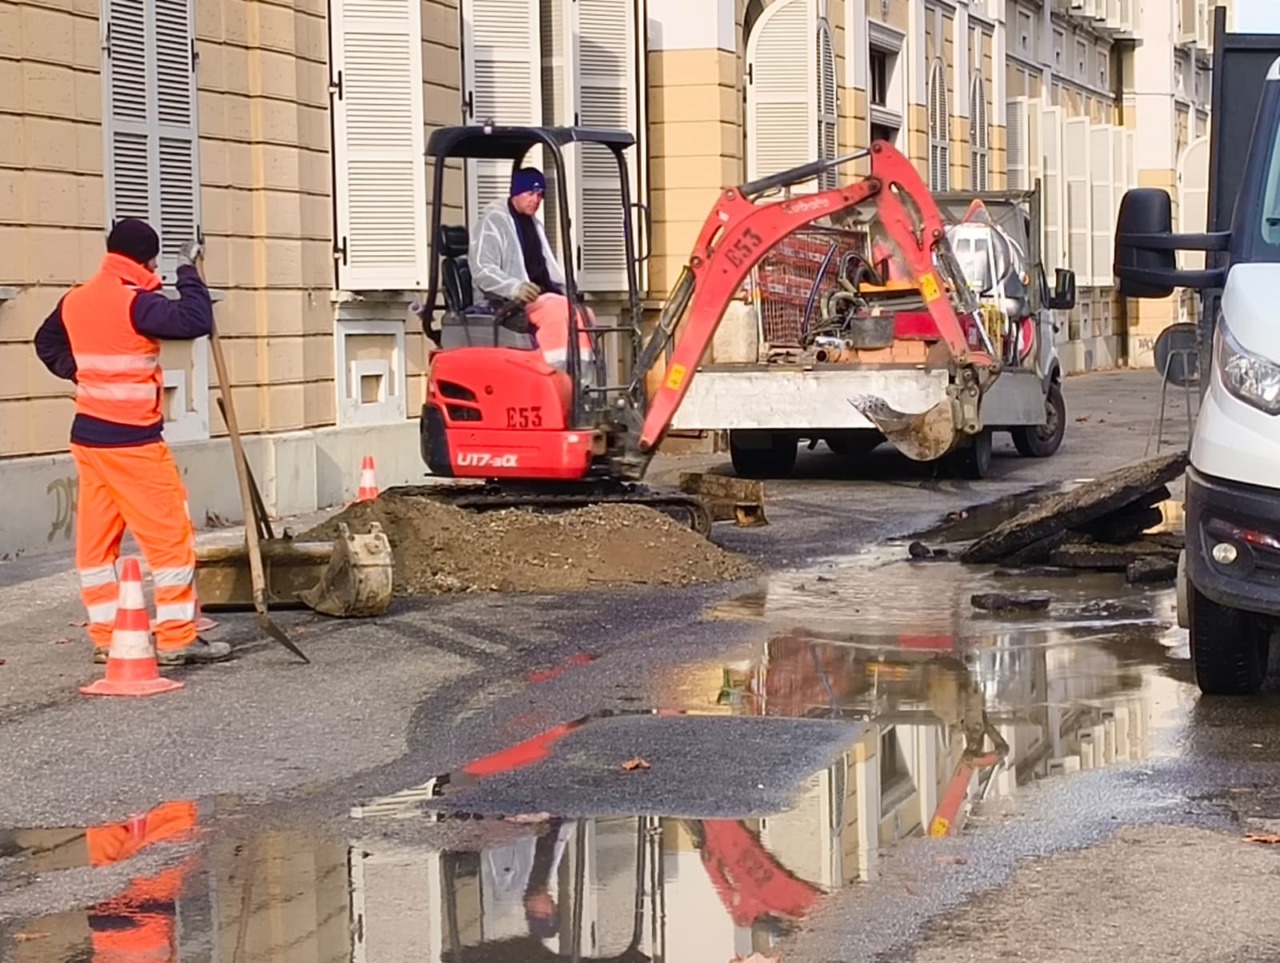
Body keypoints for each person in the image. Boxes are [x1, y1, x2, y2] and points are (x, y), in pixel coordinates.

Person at [33, 218, 231, 666]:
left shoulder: (76, 299)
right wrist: (189, 271)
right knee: (170, 540)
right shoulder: (135, 303)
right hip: (132, 442)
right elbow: (195, 320)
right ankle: (178, 637)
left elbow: (44, 342)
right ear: (147, 259)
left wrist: (77, 370)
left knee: (97, 544)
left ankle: (107, 636)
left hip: (88, 439)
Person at [471, 167, 597, 372]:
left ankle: (583, 385)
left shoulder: (532, 224)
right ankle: (553, 377)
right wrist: (515, 288)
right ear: (516, 193)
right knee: (556, 313)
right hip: (507, 302)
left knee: (584, 314)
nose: (536, 200)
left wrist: (567, 290)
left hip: (536, 297)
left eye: (540, 195)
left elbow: (546, 269)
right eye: (530, 193)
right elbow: (482, 270)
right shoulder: (493, 222)